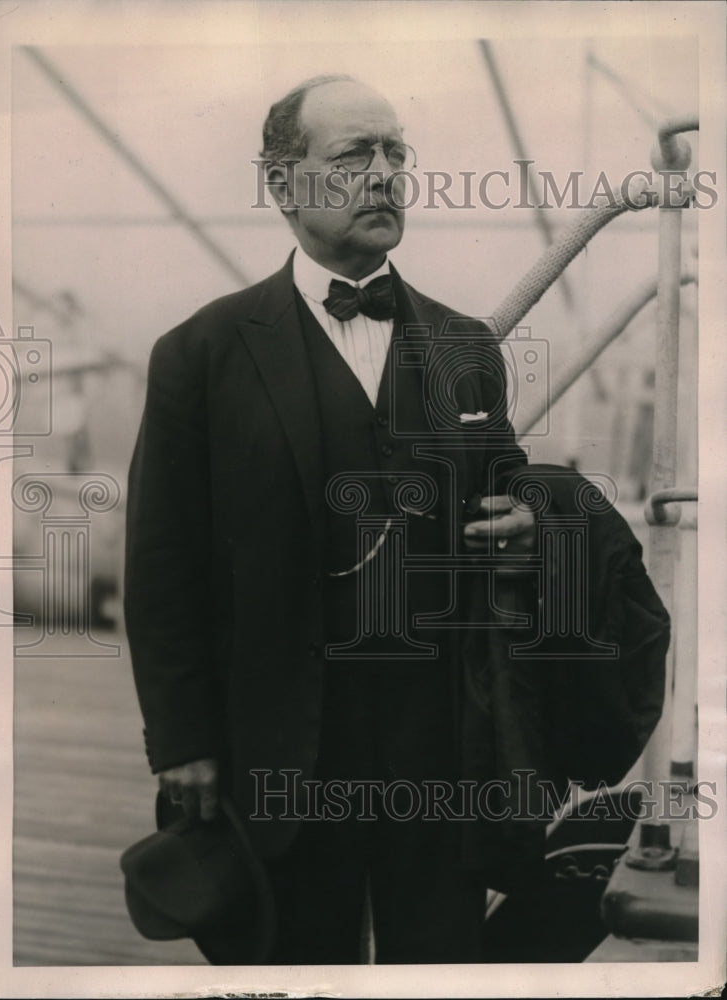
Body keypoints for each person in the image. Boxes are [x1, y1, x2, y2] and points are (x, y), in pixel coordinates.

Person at [124, 74, 535, 965]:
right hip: (283, 745)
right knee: (295, 964)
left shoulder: (467, 348)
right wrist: (183, 742)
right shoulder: (200, 353)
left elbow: (510, 500)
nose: (384, 174)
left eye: (395, 153)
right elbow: (161, 566)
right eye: (353, 155)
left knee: (444, 967)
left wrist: (528, 530)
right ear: (281, 184)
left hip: (440, 751)